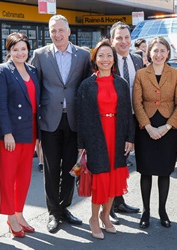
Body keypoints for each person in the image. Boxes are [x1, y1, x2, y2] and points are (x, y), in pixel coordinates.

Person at [31, 14, 92, 233]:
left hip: (74, 120)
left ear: (68, 32)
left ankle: (65, 207)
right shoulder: (39, 55)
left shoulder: (83, 56)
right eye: (53, 31)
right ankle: (53, 212)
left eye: (60, 30)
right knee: (50, 169)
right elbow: (34, 89)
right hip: (49, 120)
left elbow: (87, 87)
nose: (57, 35)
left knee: (71, 168)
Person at [76, 39, 135, 239]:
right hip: (96, 138)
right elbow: (81, 117)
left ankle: (105, 215)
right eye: (101, 55)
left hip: (116, 136)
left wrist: (130, 138)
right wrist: (81, 145)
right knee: (100, 180)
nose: (105, 59)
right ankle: (94, 218)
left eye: (109, 55)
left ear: (114, 59)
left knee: (113, 180)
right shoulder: (86, 85)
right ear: (95, 58)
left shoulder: (121, 83)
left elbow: (127, 113)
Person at [0, 33, 40, 238]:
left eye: (23, 49)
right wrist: (7, 132)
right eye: (15, 49)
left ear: (28, 50)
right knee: (8, 177)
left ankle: (19, 214)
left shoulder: (33, 70)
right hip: (8, 134)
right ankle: (10, 216)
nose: (20, 53)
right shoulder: (1, 71)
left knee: (24, 177)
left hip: (30, 131)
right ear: (8, 51)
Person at [133, 36, 177, 229]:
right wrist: (147, 127)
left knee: (164, 172)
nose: (158, 54)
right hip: (145, 128)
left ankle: (162, 211)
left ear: (168, 53)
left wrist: (167, 127)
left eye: (162, 51)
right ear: (149, 52)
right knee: (146, 172)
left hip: (168, 129)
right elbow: (136, 103)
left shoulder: (176, 74)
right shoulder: (141, 74)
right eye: (155, 50)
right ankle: (146, 211)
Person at [109, 21, 142, 224]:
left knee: (122, 162)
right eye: (119, 38)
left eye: (126, 37)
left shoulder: (138, 59)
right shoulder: (105, 59)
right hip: (112, 119)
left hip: (133, 117)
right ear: (112, 40)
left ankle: (119, 200)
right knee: (111, 162)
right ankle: (109, 205)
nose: (123, 41)